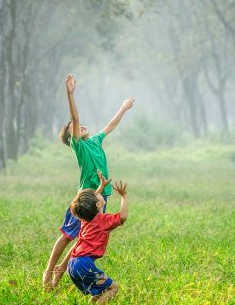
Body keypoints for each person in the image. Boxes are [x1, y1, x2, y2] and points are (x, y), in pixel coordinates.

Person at [43, 73, 135, 289]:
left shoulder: (94, 140)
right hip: (85, 198)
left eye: (80, 125)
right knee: (68, 235)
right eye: (74, 128)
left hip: (101, 196)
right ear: (71, 136)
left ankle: (60, 273)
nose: (80, 125)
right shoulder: (79, 146)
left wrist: (123, 107)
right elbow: (75, 118)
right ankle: (49, 271)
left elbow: (110, 126)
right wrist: (70, 94)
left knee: (86, 236)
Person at [68, 179, 128, 304]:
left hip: (72, 264)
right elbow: (122, 216)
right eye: (97, 194)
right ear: (98, 204)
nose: (98, 193)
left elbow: (88, 203)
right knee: (113, 288)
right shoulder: (103, 221)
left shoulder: (86, 218)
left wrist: (101, 187)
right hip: (84, 264)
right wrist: (124, 196)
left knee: (100, 292)